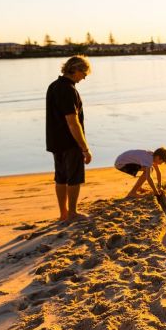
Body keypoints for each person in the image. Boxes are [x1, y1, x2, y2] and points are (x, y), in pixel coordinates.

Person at [46, 55, 92, 222]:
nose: (84, 77)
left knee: (60, 177)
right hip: (70, 142)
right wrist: (85, 148)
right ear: (76, 70)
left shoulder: (53, 86)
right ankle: (72, 213)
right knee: (74, 178)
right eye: (84, 73)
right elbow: (73, 122)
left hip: (55, 141)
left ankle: (63, 213)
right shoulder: (68, 90)